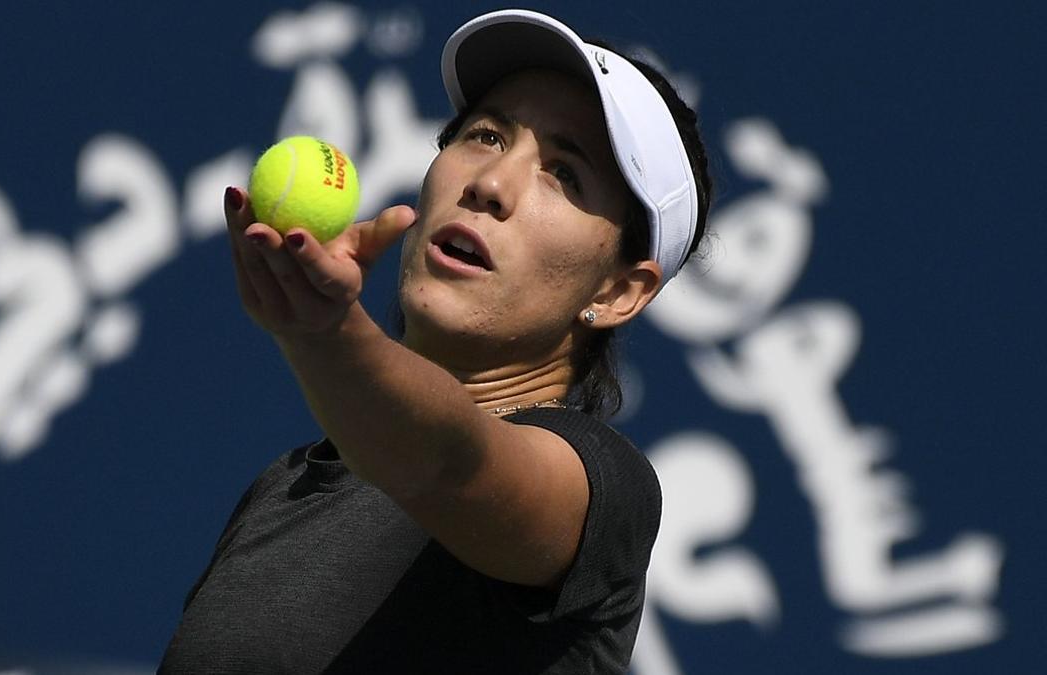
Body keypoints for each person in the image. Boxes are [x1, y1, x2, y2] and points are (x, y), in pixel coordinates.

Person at [160, 8, 712, 674]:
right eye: (484, 135)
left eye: (565, 173)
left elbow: (450, 463)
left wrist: (330, 335)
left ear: (616, 292)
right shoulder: (281, 490)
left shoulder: (605, 487)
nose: (490, 184)